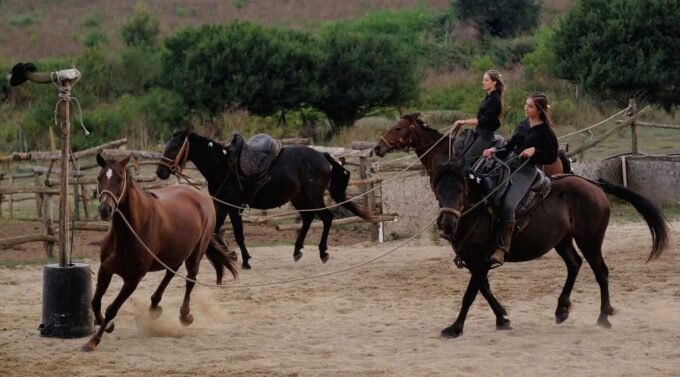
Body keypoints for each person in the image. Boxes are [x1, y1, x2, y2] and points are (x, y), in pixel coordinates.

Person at [482, 92, 559, 266]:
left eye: (530, 106)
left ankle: (502, 247)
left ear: (539, 110)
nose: (526, 108)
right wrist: (495, 151)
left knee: (509, 204)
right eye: (526, 104)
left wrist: (534, 151)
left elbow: (552, 156)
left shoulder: (546, 132)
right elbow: (510, 145)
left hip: (525, 172)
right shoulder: (523, 124)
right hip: (508, 164)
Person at [453, 69, 504, 163]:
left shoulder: (495, 99)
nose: (483, 82)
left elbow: (483, 121)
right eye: (483, 80)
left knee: (466, 161)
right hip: (479, 132)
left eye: (486, 80)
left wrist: (463, 122)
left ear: (494, 82)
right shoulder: (489, 96)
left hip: (485, 136)